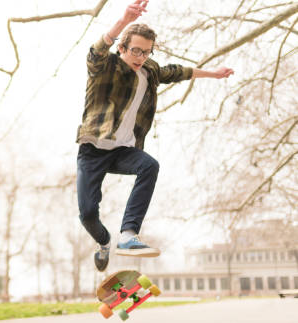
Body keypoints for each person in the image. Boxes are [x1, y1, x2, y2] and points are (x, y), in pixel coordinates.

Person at [76, 0, 234, 272]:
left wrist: (214, 74)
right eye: (135, 51)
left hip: (122, 150)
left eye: (146, 52)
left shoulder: (150, 70)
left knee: (149, 165)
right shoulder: (105, 66)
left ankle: (128, 235)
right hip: (93, 149)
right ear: (122, 48)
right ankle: (104, 242)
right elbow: (95, 51)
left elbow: (178, 72)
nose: (140, 57)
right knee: (88, 213)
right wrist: (123, 20)